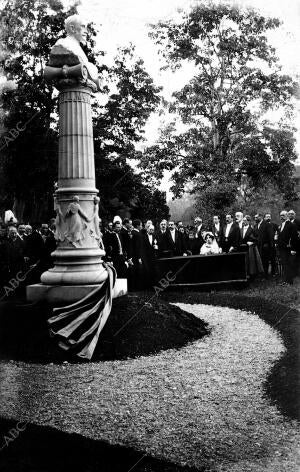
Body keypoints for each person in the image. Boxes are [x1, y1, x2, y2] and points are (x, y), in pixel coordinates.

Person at [276, 210, 297, 285]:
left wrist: (293, 249)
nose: (281, 217)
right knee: (284, 265)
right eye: (280, 215)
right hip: (282, 248)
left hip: (289, 249)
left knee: (288, 265)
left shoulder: (291, 225)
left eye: (283, 215)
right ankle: (285, 281)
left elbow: (294, 238)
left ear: (287, 216)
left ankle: (289, 281)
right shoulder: (281, 225)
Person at [254, 212, 274, 277]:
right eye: (255, 217)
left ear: (261, 217)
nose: (255, 219)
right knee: (260, 260)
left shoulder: (267, 224)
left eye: (256, 217)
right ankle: (261, 273)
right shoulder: (256, 225)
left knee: (265, 260)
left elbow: (271, 235)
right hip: (258, 246)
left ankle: (266, 275)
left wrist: (269, 244)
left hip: (265, 245)